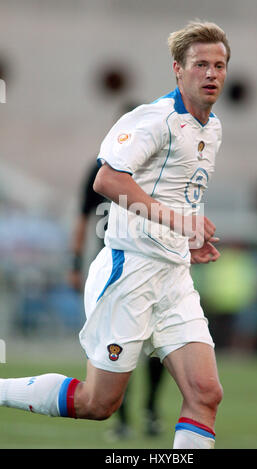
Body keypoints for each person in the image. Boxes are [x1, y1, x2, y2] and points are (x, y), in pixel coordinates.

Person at [0, 20, 230, 449]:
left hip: (174, 276)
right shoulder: (152, 119)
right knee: (97, 402)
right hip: (131, 272)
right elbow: (106, 179)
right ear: (178, 69)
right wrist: (178, 224)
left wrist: (186, 239)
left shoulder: (211, 128)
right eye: (201, 64)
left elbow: (175, 196)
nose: (212, 73)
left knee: (205, 394)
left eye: (219, 65)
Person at [69, 160, 165, 437]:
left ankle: (150, 410)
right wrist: (74, 263)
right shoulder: (101, 169)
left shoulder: (160, 168)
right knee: (119, 344)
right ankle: (122, 417)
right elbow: (82, 216)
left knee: (158, 343)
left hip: (155, 266)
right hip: (116, 265)